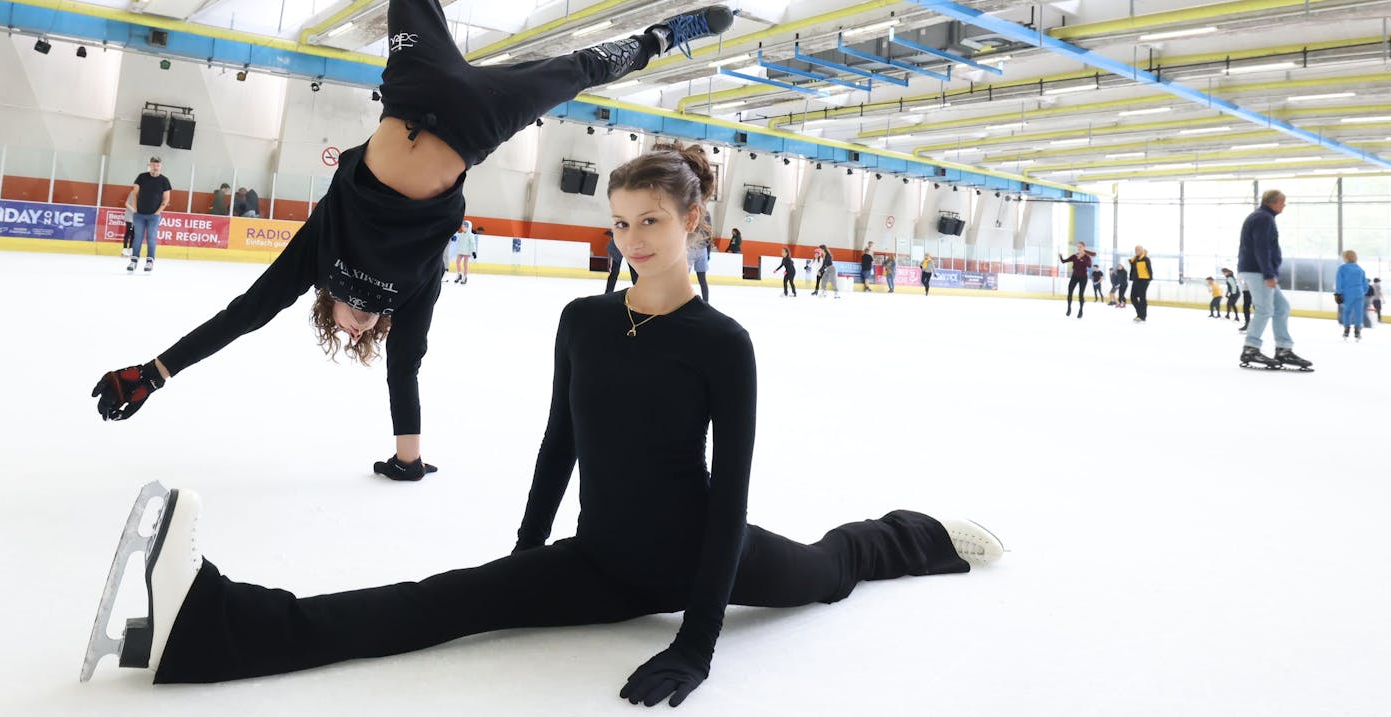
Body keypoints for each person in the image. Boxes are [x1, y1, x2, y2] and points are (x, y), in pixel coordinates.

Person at [85, 146, 1003, 701]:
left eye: (651, 220)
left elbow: (729, 502)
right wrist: (527, 546)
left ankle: (917, 536)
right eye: (619, 223)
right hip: (598, 557)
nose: (632, 239)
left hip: (698, 556)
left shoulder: (723, 343)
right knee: (436, 601)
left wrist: (696, 641)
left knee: (831, 572)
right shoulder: (584, 319)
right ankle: (214, 626)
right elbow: (561, 440)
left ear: (693, 221)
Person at [89, 0, 735, 480]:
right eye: (363, 335)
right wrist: (408, 459)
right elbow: (407, 367)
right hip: (475, 123)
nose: (357, 326)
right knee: (577, 70)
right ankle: (661, 36)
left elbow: (244, 314)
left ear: (327, 305)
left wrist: (154, 372)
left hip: (413, 87)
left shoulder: (319, 251)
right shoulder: (413, 290)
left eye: (345, 328)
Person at [1237, 190, 1311, 369]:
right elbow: (1262, 248)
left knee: (1281, 307)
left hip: (1260, 270)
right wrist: (1268, 274)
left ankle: (1284, 349)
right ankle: (1251, 348)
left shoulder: (1263, 217)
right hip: (1257, 271)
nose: (1284, 205)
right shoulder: (1263, 218)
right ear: (1274, 202)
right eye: (1283, 202)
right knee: (1265, 309)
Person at [124, 157, 171, 274]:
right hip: (139, 214)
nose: (156, 167)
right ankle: (134, 261)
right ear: (150, 165)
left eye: (158, 165)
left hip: (154, 216)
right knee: (137, 238)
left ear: (161, 166)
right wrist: (135, 209)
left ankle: (150, 261)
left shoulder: (164, 180)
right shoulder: (141, 177)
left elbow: (166, 199)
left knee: (151, 238)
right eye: (154, 164)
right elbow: (134, 194)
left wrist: (158, 212)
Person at [1336, 249, 1368, 341]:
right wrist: (1362, 292)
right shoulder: (1360, 269)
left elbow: (1339, 282)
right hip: (1359, 292)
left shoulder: (1342, 268)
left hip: (1347, 292)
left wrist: (1338, 293)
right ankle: (1357, 332)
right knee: (1358, 312)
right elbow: (1365, 284)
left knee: (1347, 311)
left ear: (1345, 258)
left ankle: (1346, 331)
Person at [1060, 241, 1096, 318]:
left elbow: (1089, 266)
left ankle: (1080, 310)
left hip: (1083, 277)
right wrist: (1060, 256)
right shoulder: (1074, 256)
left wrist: (1082, 259)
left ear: (1084, 247)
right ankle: (1069, 308)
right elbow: (1063, 261)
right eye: (1078, 246)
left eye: (1080, 246)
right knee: (1070, 291)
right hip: (1074, 276)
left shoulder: (1087, 257)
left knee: (1081, 294)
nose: (1078, 248)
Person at [1127, 245, 1152, 322]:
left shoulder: (1145, 259)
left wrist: (1149, 279)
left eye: (1138, 249)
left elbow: (1149, 269)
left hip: (1144, 280)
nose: (1136, 251)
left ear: (1142, 250)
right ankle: (1140, 313)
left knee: (1142, 298)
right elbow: (1132, 267)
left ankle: (1142, 316)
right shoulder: (1135, 259)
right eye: (1135, 249)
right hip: (1136, 280)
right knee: (1133, 297)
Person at [451, 219, 476, 285]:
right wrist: (454, 238)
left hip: (467, 252)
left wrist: (473, 251)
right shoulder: (461, 234)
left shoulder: (471, 235)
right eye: (462, 227)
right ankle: (459, 274)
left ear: (468, 227)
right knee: (457, 262)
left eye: (464, 227)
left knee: (465, 264)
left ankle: (464, 277)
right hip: (460, 251)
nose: (463, 228)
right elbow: (457, 237)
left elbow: (473, 243)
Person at [688, 233, 711, 303]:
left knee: (683, 279)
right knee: (702, 279)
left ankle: (681, 302)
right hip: (702, 249)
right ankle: (706, 302)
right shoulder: (706, 224)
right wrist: (708, 253)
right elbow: (709, 238)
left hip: (691, 248)